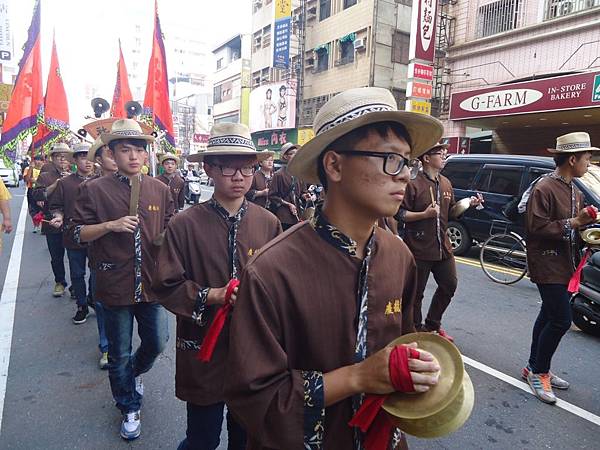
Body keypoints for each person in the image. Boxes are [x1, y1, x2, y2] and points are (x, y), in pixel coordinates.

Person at [225, 87, 444, 449]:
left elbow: (404, 342)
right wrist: (357, 377)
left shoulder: (399, 255)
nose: (404, 175)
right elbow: (254, 399)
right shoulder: (271, 270)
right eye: (390, 159)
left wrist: (417, 367)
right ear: (335, 165)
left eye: (408, 162)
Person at [153, 123, 282, 450]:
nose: (238, 176)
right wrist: (213, 295)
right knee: (202, 437)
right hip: (203, 346)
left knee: (245, 437)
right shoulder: (185, 224)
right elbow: (165, 285)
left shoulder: (268, 223)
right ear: (208, 168)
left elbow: (280, 286)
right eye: (227, 166)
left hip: (252, 351)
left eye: (247, 167)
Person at [71, 119, 174, 440]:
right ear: (112, 153)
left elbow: (172, 226)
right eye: (124, 149)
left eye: (138, 149)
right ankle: (129, 405)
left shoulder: (160, 189)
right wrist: (109, 226)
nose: (132, 156)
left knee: (157, 341)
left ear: (146, 155)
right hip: (113, 284)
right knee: (119, 352)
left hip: (152, 284)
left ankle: (135, 374)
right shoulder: (93, 189)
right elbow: (75, 232)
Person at [523, 132, 599, 404]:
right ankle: (539, 372)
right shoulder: (543, 187)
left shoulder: (574, 189)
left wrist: (587, 228)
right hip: (546, 263)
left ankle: (533, 366)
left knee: (547, 315)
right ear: (572, 158)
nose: (589, 163)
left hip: (567, 263)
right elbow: (536, 228)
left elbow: (575, 227)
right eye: (587, 158)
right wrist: (575, 222)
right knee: (561, 320)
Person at [396, 143, 483, 341]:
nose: (444, 156)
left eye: (445, 153)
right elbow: (399, 214)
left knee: (449, 285)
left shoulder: (446, 183)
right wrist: (423, 214)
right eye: (440, 153)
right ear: (426, 158)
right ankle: (415, 329)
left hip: (443, 247)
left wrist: (469, 204)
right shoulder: (413, 184)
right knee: (416, 294)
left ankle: (432, 324)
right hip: (418, 247)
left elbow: (452, 212)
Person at [48, 143, 95, 324]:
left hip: (96, 236)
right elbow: (56, 206)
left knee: (96, 272)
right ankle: (82, 305)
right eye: (83, 156)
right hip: (72, 234)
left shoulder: (102, 181)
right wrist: (58, 217)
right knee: (77, 273)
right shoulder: (65, 183)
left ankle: (92, 297)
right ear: (74, 160)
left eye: (90, 156)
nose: (87, 161)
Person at [32, 142, 73, 297]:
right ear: (53, 159)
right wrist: (56, 185)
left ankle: (76, 286)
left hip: (72, 222)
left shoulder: (76, 175)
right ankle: (59, 282)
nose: (63, 160)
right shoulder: (45, 176)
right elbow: (37, 195)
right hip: (52, 222)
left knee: (75, 257)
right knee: (56, 256)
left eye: (66, 157)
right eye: (59, 157)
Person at [269, 142, 308, 230]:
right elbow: (272, 196)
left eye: (297, 153)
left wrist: (305, 196)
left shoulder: (299, 173)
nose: (296, 155)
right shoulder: (278, 174)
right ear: (285, 157)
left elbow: (302, 192)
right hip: (284, 215)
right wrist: (287, 204)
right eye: (292, 153)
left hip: (297, 214)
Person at [24, 154, 44, 232]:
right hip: (31, 190)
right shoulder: (28, 168)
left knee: (42, 209)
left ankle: (42, 224)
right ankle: (36, 225)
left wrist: (36, 180)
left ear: (43, 161)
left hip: (41, 190)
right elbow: (27, 179)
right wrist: (31, 168)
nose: (38, 162)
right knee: (32, 209)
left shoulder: (45, 169)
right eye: (36, 160)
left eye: (40, 160)